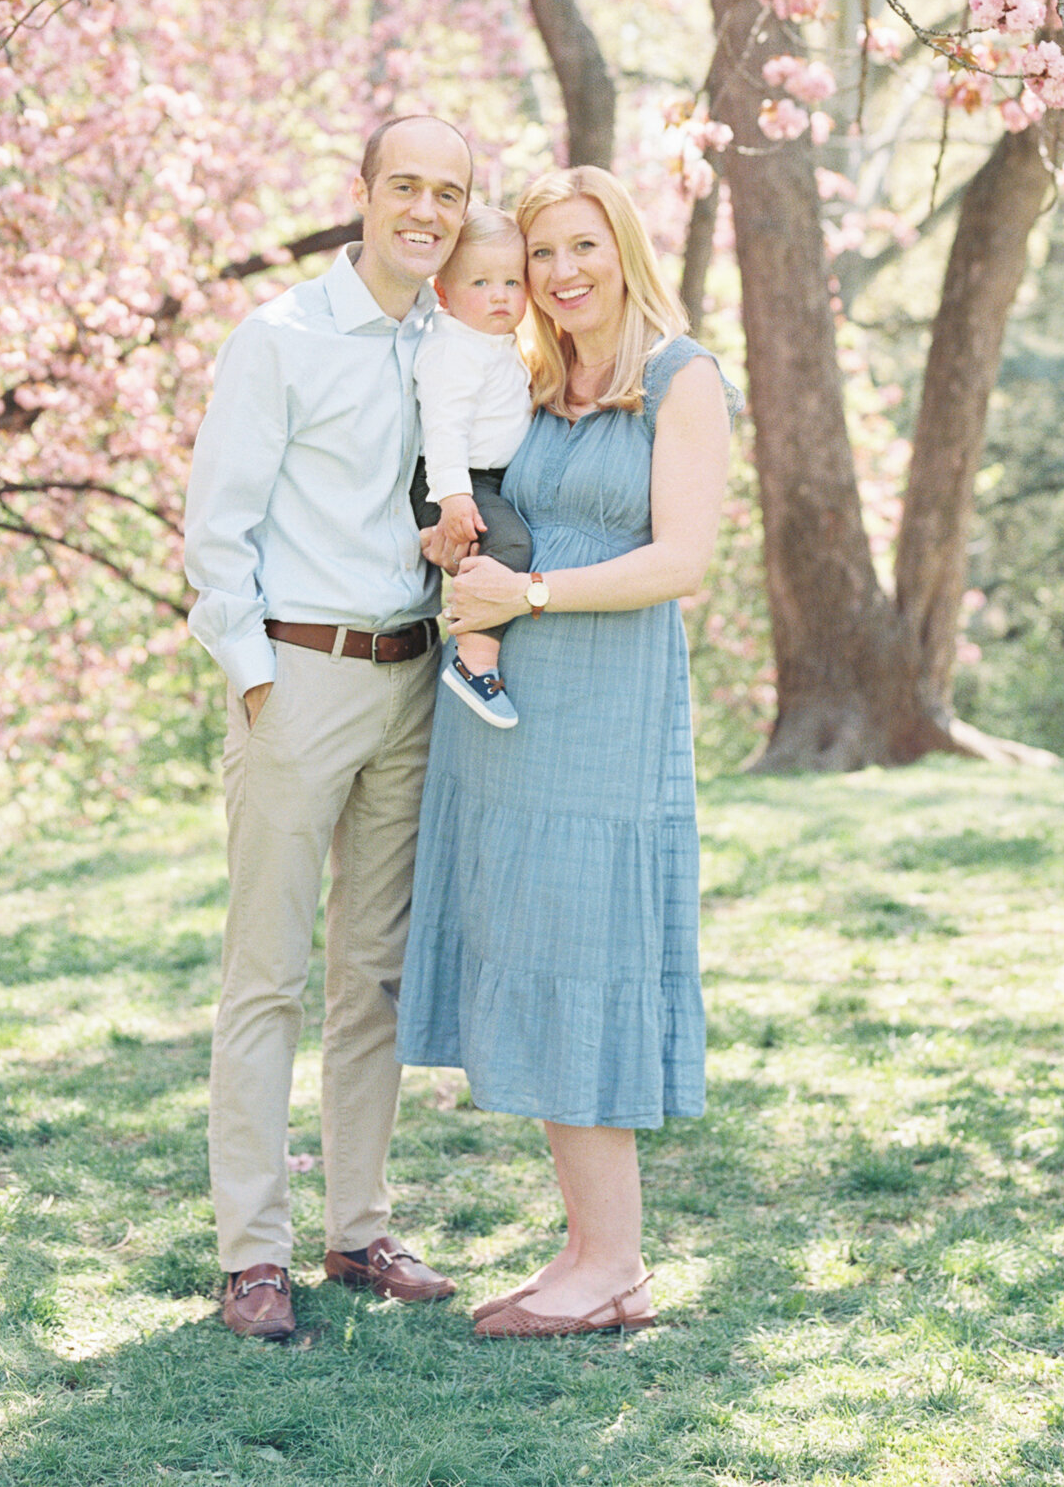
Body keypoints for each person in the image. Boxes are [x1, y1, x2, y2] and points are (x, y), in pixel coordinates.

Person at [395, 164, 735, 1339]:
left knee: (587, 952)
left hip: (605, 703)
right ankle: (595, 1251)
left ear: (624, 249)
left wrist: (528, 591)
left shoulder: (681, 379)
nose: (562, 271)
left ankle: (616, 1262)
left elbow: (681, 560)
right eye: (543, 253)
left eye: (583, 246)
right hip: (505, 717)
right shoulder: (536, 380)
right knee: (536, 950)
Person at [184, 114, 474, 1342]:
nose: (427, 209)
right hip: (298, 678)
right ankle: (253, 1252)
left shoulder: (454, 344)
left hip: (414, 680)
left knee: (376, 976)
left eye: (449, 193)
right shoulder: (281, 339)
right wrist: (254, 678)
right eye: (406, 185)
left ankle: (357, 1228)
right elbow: (217, 527)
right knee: (268, 976)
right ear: (361, 193)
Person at [410, 205, 535, 730]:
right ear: (443, 293)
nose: (501, 295)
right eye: (480, 282)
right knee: (508, 547)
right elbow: (444, 428)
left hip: (481, 479)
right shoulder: (453, 348)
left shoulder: (490, 340)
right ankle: (473, 662)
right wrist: (454, 497)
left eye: (513, 280)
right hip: (453, 481)